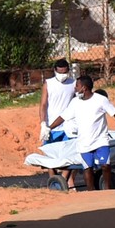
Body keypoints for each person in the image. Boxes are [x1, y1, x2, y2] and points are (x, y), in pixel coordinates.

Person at [45, 75, 115, 191]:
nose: (75, 88)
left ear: (84, 88)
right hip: (84, 143)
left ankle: (107, 189)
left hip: (100, 140)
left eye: (77, 86)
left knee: (105, 165)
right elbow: (62, 117)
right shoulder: (75, 103)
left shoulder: (100, 100)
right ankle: (91, 192)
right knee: (88, 168)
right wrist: (49, 128)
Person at [39, 59, 77, 188]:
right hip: (51, 127)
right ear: (55, 71)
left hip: (68, 126)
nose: (62, 75)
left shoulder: (73, 83)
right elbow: (43, 105)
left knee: (71, 155)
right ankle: (54, 182)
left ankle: (66, 180)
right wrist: (43, 124)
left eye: (65, 72)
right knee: (50, 156)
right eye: (60, 72)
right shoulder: (48, 84)